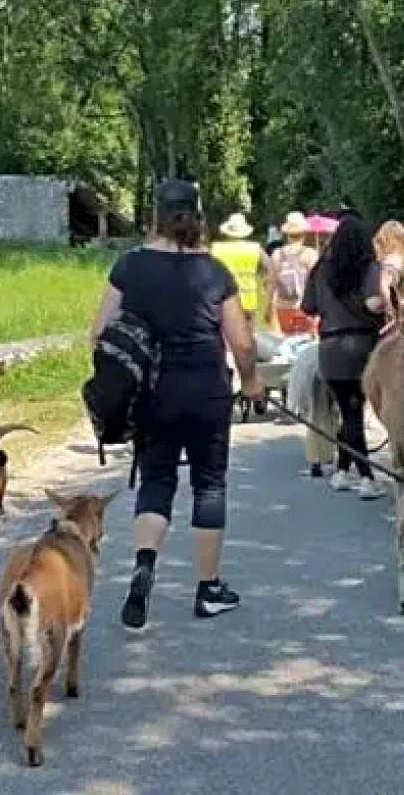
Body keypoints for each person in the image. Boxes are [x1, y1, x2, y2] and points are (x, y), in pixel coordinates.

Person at [92, 179, 261, 629]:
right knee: (209, 485)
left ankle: (145, 564)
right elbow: (241, 343)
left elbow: (98, 334)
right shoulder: (214, 272)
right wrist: (252, 382)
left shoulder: (129, 267)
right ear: (197, 216)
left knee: (157, 482)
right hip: (207, 392)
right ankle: (208, 589)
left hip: (154, 396)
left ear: (157, 215)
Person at [299, 210, 391, 500]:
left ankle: (341, 471)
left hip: (329, 348)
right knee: (353, 413)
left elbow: (308, 307)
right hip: (361, 346)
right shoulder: (368, 267)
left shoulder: (321, 269)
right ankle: (366, 477)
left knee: (347, 410)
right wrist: (388, 304)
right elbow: (374, 303)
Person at [265, 211, 320, 336]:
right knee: (305, 346)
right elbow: (317, 285)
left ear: (287, 234)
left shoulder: (277, 254)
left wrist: (267, 309)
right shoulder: (310, 254)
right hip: (304, 308)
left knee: (287, 345)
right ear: (304, 233)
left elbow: (270, 285)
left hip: (282, 309)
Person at [209, 212, 265, 324]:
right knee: (247, 336)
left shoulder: (216, 249)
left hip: (224, 302)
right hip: (248, 303)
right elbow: (271, 270)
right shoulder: (255, 249)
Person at [372, 220, 404, 310]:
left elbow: (383, 285)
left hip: (381, 305)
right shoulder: (399, 258)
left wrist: (389, 308)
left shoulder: (390, 262)